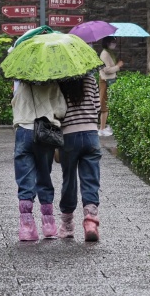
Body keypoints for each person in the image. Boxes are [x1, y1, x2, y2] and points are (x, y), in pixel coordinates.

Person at [12, 81, 67, 241]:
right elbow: (62, 110)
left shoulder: (22, 83)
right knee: (44, 175)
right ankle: (49, 226)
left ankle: (26, 227)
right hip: (44, 134)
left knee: (25, 178)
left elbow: (15, 103)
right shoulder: (53, 83)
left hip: (23, 131)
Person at [57, 74, 102, 241]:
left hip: (68, 135)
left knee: (69, 180)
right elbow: (97, 107)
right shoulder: (90, 79)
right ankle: (91, 221)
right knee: (90, 178)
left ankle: (67, 225)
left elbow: (58, 110)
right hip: (91, 134)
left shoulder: (60, 81)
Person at [98, 36, 123, 137]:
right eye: (112, 42)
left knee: (108, 105)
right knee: (104, 105)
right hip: (105, 81)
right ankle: (102, 128)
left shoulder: (109, 53)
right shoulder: (104, 54)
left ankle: (104, 127)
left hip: (109, 81)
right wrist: (118, 66)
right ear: (107, 43)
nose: (114, 44)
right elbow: (106, 70)